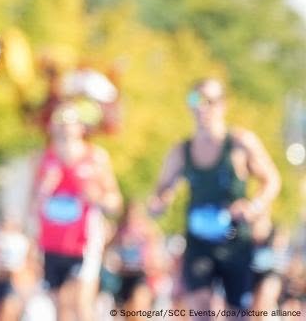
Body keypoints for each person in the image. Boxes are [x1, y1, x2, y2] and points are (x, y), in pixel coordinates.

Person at [148, 77, 281, 316]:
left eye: (209, 101)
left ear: (223, 105)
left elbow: (271, 179)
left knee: (236, 313)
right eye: (195, 99)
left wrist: (255, 206)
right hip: (199, 242)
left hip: (235, 241)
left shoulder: (239, 143)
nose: (201, 107)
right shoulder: (181, 151)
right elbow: (162, 188)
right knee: (201, 310)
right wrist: (159, 202)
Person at [30, 102, 122, 321]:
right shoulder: (42, 159)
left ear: (81, 127)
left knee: (80, 303)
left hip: (84, 242)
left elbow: (115, 203)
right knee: (60, 307)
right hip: (51, 243)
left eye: (70, 122)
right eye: (59, 121)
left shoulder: (95, 158)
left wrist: (96, 197)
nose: (64, 127)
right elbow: (31, 205)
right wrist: (44, 191)